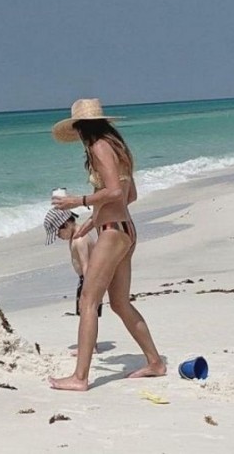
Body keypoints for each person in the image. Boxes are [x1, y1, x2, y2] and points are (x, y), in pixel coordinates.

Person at [48, 98, 165, 391]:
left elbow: (113, 192)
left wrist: (80, 201)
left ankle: (80, 377)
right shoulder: (118, 149)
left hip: (113, 232)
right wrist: (91, 222)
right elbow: (129, 195)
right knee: (120, 303)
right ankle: (155, 362)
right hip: (123, 229)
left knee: (88, 300)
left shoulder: (99, 147)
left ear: (80, 127)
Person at [43, 209, 103, 319]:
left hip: (89, 280)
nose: (58, 237)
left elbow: (86, 268)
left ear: (66, 224)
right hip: (86, 280)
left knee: (88, 315)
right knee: (86, 316)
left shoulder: (80, 240)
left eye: (58, 233)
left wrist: (86, 293)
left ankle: (88, 335)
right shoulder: (74, 236)